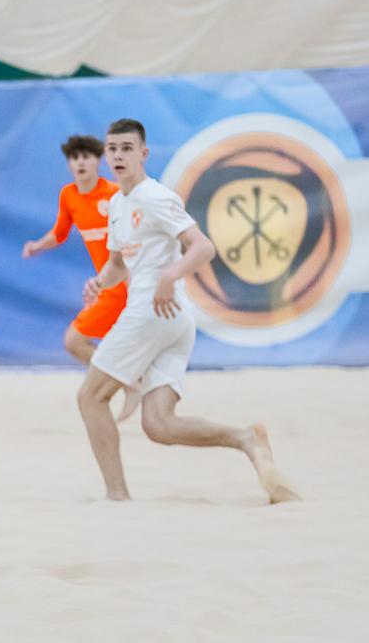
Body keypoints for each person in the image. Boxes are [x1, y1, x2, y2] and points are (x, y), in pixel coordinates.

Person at [77, 118, 300, 504]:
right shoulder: (116, 203)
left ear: (144, 154)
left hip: (152, 311)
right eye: (112, 149)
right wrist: (100, 282)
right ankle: (246, 437)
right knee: (159, 425)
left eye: (127, 148)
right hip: (172, 319)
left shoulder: (155, 196)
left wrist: (170, 273)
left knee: (89, 397)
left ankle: (117, 496)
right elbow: (117, 264)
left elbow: (203, 247)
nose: (118, 155)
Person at [23, 135, 139, 421]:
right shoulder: (69, 195)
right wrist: (38, 245)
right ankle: (130, 382)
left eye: (86, 156)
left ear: (98, 161)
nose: (80, 162)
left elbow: (139, 234)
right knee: (81, 342)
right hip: (108, 286)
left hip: (128, 284)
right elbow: (59, 233)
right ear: (69, 164)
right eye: (75, 158)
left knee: (76, 341)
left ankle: (131, 383)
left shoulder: (115, 194)